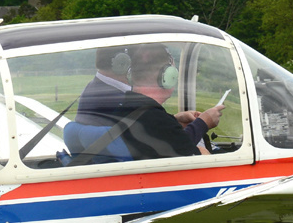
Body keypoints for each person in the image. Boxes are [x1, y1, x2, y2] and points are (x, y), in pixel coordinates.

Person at [72, 44, 219, 161]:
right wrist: (204, 122)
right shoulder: (153, 118)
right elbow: (199, 158)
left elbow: (153, 128)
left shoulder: (127, 106)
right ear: (167, 76)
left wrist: (174, 119)